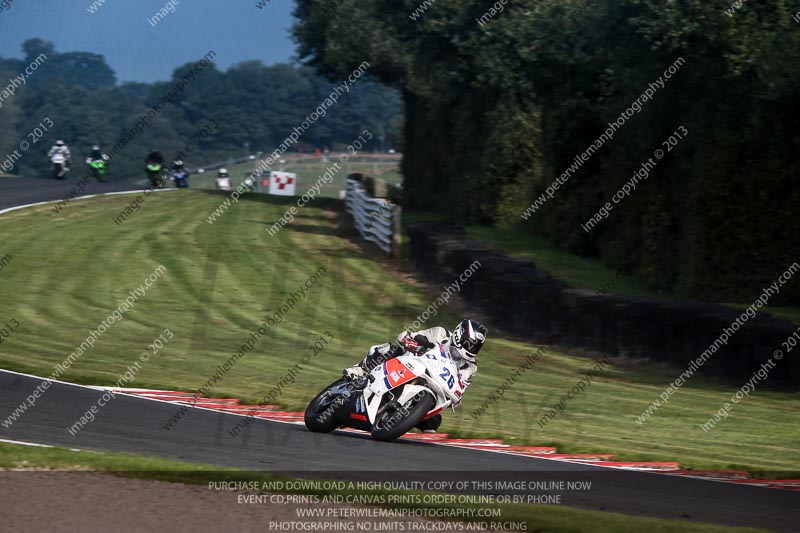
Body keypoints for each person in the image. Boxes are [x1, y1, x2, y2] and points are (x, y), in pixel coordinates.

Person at [343, 319, 487, 432]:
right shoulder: (441, 334)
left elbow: (460, 390)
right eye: (471, 344)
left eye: (476, 347)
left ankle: (397, 418)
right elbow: (407, 336)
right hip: (410, 363)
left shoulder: (470, 367)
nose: (472, 349)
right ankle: (359, 369)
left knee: (433, 423)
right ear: (459, 335)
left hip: (432, 386)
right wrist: (413, 343)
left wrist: (455, 399)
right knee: (391, 349)